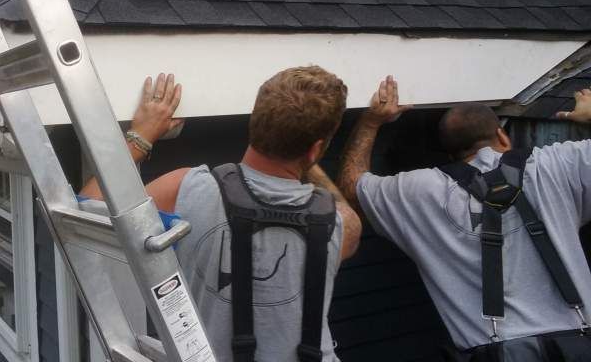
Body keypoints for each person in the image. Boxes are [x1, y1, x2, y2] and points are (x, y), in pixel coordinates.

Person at [81, 68, 362, 362]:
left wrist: (141, 136)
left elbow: (86, 208)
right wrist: (305, 153)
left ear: (256, 122)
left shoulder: (187, 189)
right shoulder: (338, 224)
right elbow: (348, 216)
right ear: (316, 149)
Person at [337, 76, 591, 361]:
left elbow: (351, 184)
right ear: (503, 136)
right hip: (576, 346)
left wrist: (370, 122)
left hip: (493, 351)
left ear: (449, 153)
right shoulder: (557, 164)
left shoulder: (421, 190)